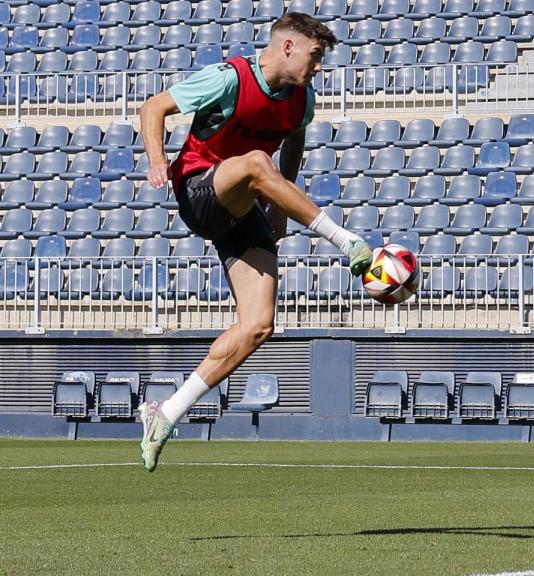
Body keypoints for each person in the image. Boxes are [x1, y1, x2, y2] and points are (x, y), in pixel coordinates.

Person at [137, 13, 371, 472]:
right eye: (315, 56)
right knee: (255, 161)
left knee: (259, 324)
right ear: (287, 47)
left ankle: (165, 414)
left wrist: (281, 207)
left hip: (243, 206)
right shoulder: (229, 78)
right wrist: (156, 159)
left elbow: (294, 147)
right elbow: (153, 107)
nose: (319, 67)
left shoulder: (302, 101)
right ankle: (346, 242)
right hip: (200, 189)